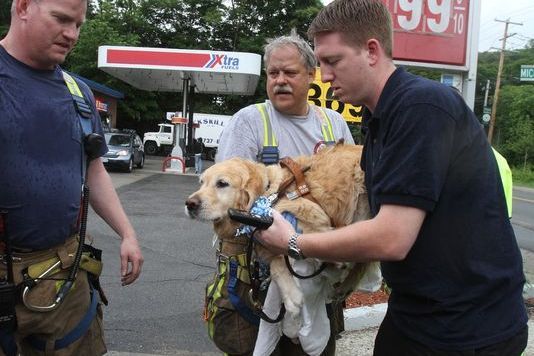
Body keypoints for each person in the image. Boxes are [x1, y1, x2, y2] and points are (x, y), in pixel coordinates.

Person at [255, 0, 528, 355]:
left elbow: (392, 237)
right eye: (321, 63)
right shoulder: (382, 121)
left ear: (372, 50)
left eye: (333, 61)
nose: (324, 75)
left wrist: (293, 242)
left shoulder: (422, 107)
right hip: (417, 311)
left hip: (469, 326)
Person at [0, 0, 144, 355]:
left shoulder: (78, 93)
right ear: (22, 7)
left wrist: (127, 233)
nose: (72, 35)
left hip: (66, 276)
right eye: (61, 20)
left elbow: (93, 169)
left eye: (78, 24)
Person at [215, 30, 355, 356]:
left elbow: (351, 192)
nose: (280, 80)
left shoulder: (333, 125)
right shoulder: (249, 122)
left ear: (310, 75)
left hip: (320, 269)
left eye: (290, 73)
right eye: (273, 73)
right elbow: (227, 203)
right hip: (257, 274)